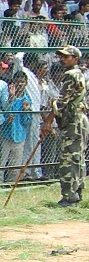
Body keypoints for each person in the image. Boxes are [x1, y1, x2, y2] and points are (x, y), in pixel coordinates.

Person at [44, 46, 89, 206]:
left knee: (69, 158)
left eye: (66, 57)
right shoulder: (80, 74)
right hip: (80, 118)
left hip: (73, 121)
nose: (62, 59)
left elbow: (61, 102)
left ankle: (69, 197)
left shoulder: (70, 75)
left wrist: (48, 121)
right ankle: (77, 192)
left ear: (75, 59)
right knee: (78, 157)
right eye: (62, 56)